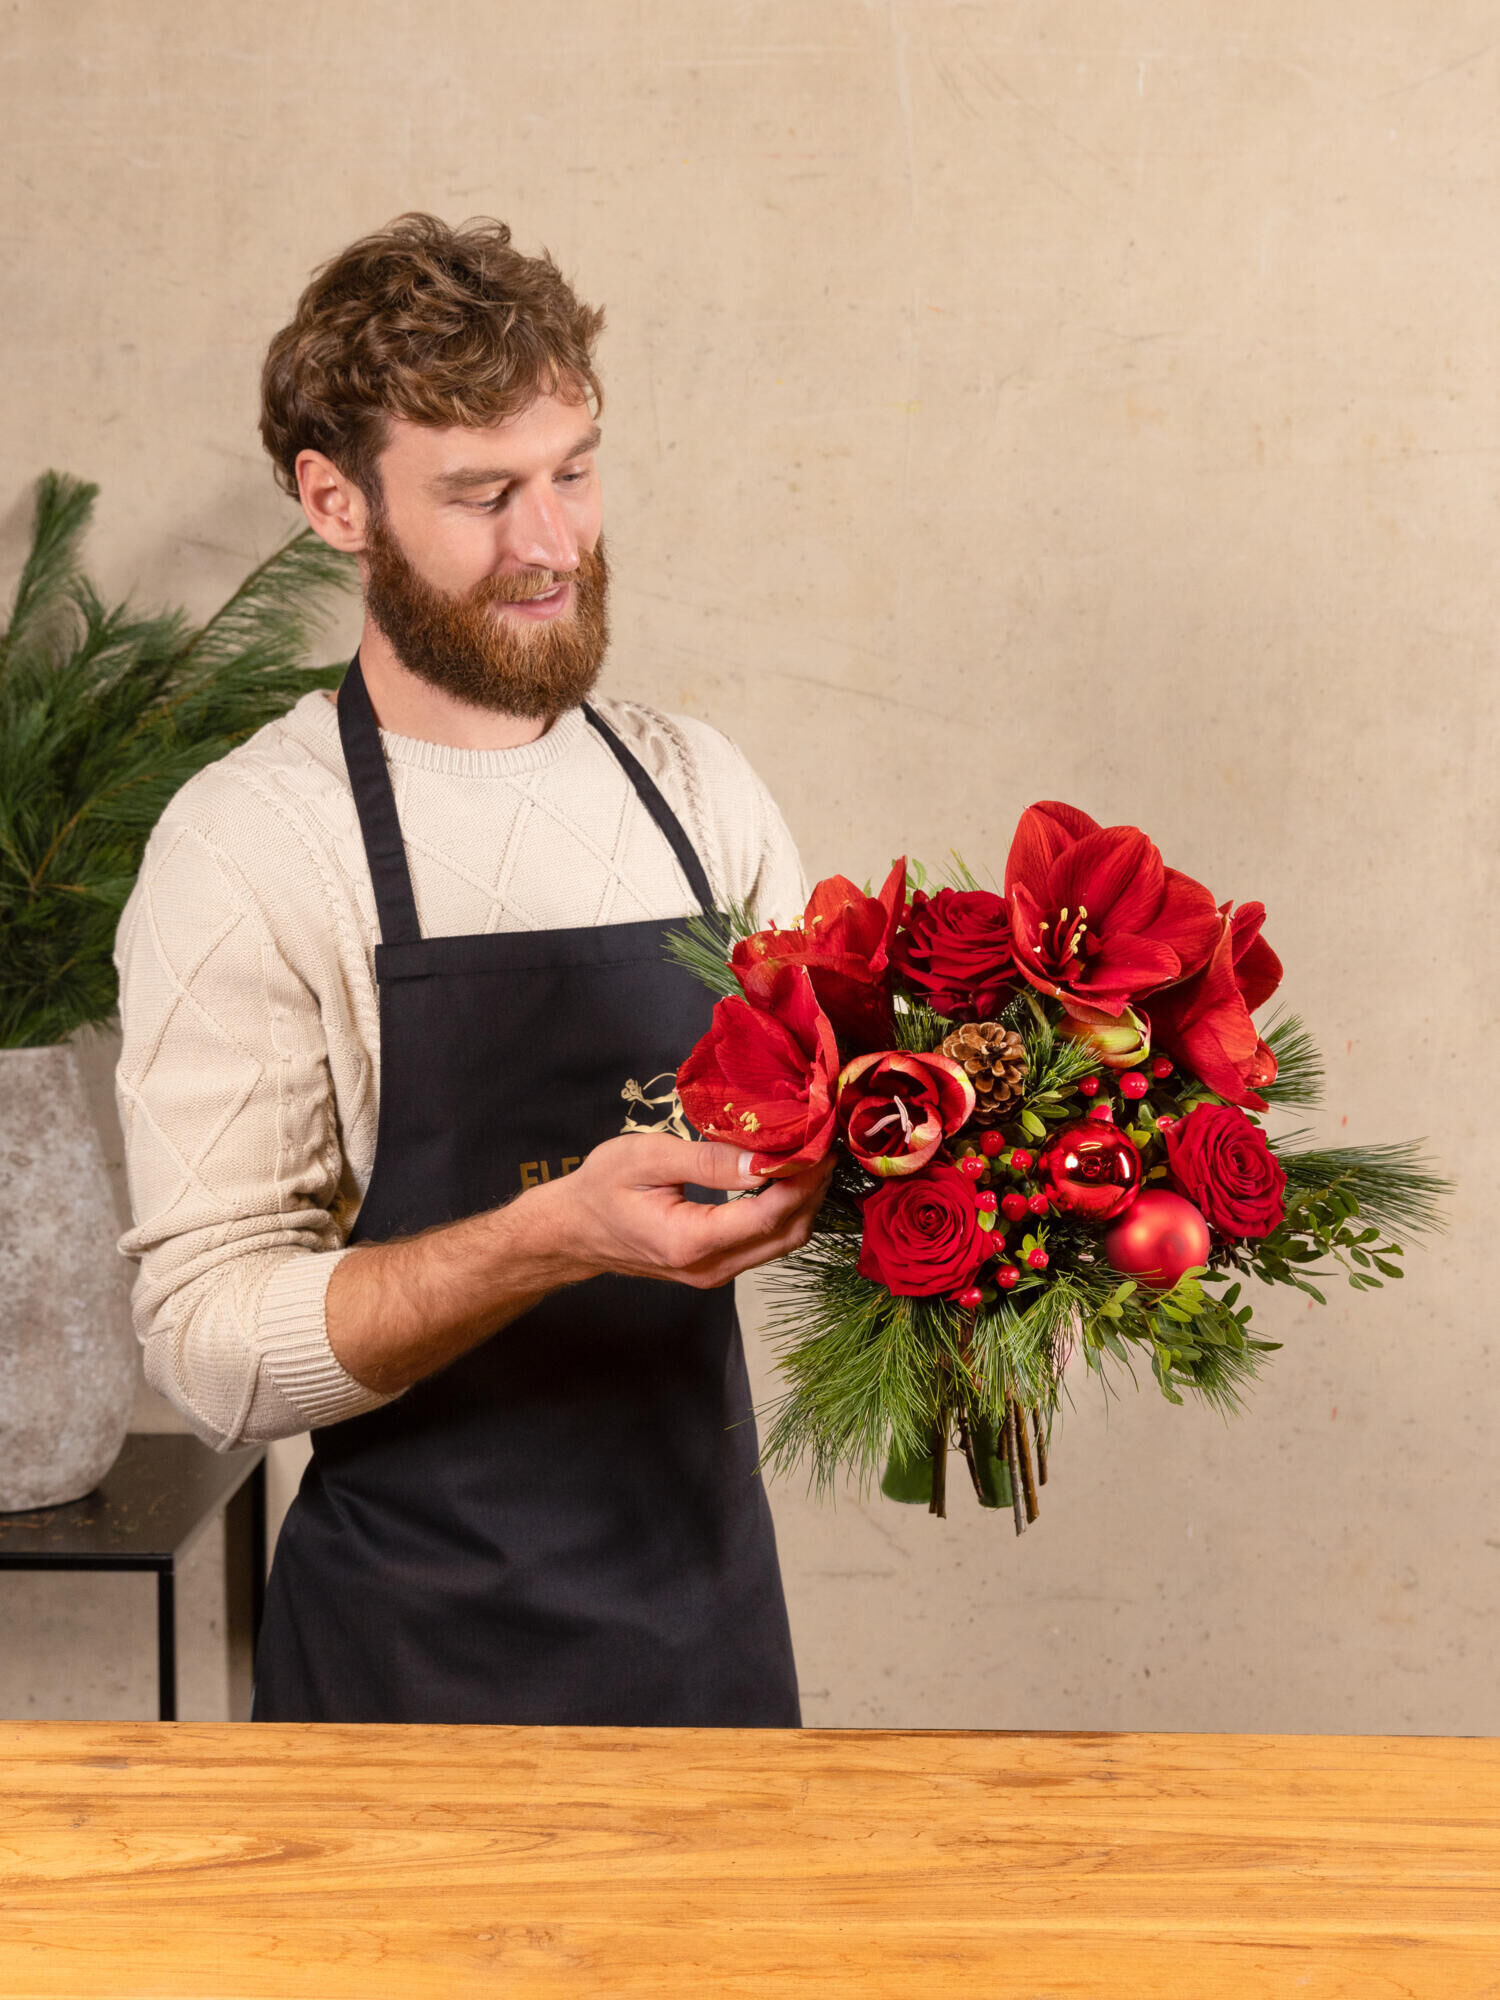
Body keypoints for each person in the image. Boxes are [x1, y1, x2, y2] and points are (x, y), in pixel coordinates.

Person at [113, 213, 831, 1726]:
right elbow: (206, 1352)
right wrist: (545, 1238)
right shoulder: (249, 845)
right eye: (482, 494)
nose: (551, 542)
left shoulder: (697, 793)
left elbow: (856, 1122)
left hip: (711, 1647)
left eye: (572, 470)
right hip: (407, 1681)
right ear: (335, 503)